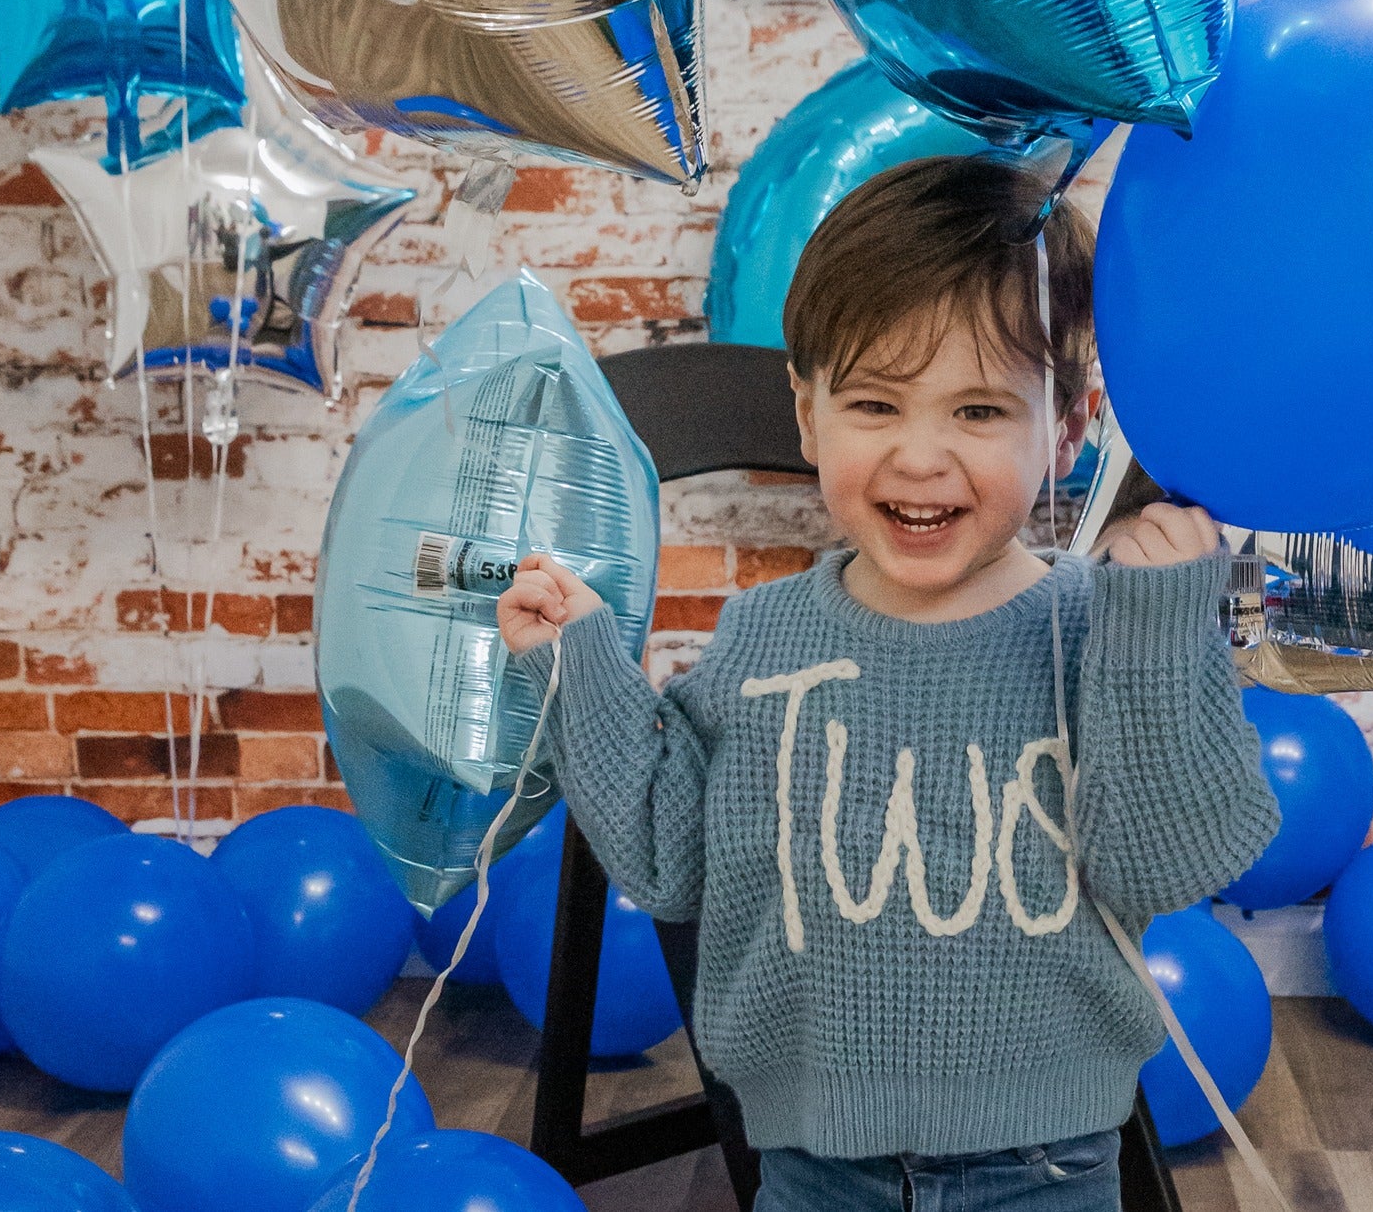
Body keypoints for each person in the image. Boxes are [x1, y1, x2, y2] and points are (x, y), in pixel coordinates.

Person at [496, 156, 1279, 1211]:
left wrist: (1153, 630)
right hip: (813, 1164)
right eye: (874, 402)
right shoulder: (763, 638)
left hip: (1045, 1164)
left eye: (978, 411)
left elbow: (1160, 868)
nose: (920, 456)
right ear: (808, 415)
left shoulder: (1103, 625)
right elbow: (669, 858)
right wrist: (580, 660)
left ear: (1066, 428)